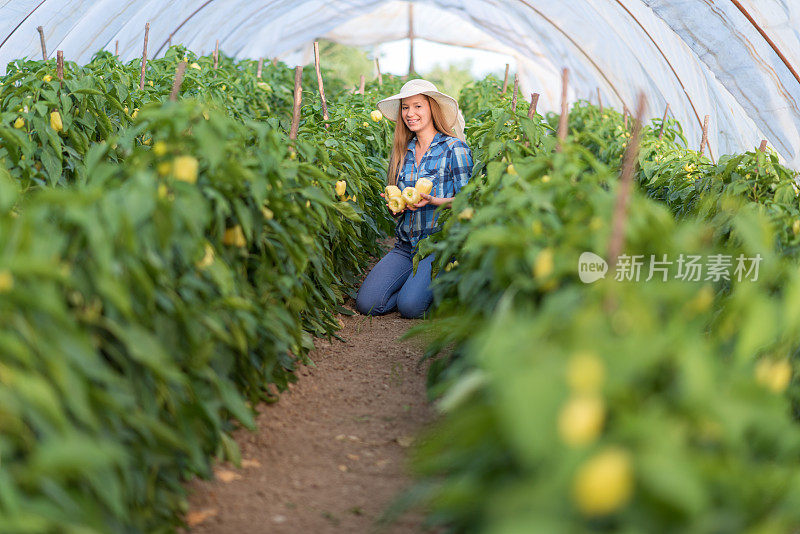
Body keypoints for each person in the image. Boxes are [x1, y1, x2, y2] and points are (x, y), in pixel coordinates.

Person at [355, 79, 473, 318]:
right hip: (405, 247)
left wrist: (434, 201)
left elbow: (469, 201)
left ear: (432, 108)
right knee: (367, 304)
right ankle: (416, 284)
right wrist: (394, 206)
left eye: (417, 106)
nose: (410, 113)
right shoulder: (403, 150)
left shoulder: (454, 148)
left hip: (437, 246)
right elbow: (401, 205)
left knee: (410, 307)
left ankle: (445, 280)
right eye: (405, 107)